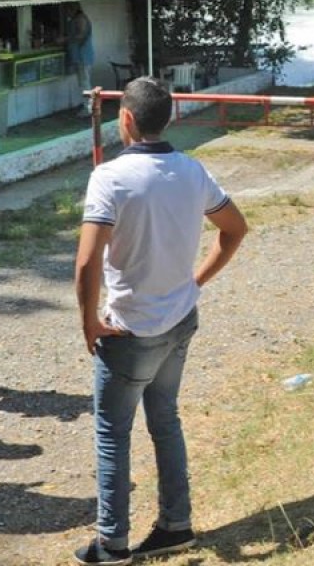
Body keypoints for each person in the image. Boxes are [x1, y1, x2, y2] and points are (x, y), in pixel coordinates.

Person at [73, 77, 247, 566]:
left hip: (129, 328)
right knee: (165, 420)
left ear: (125, 119)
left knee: (112, 432)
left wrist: (89, 322)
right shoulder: (192, 170)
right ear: (166, 119)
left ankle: (113, 542)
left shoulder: (110, 177)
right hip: (178, 320)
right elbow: (235, 229)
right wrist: (196, 280)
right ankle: (176, 523)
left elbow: (87, 264)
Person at [67, 3, 96, 117]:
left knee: (85, 84)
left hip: (83, 56)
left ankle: (88, 108)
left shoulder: (80, 19)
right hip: (81, 57)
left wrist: (65, 39)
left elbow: (81, 35)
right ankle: (88, 106)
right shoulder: (77, 18)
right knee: (83, 83)